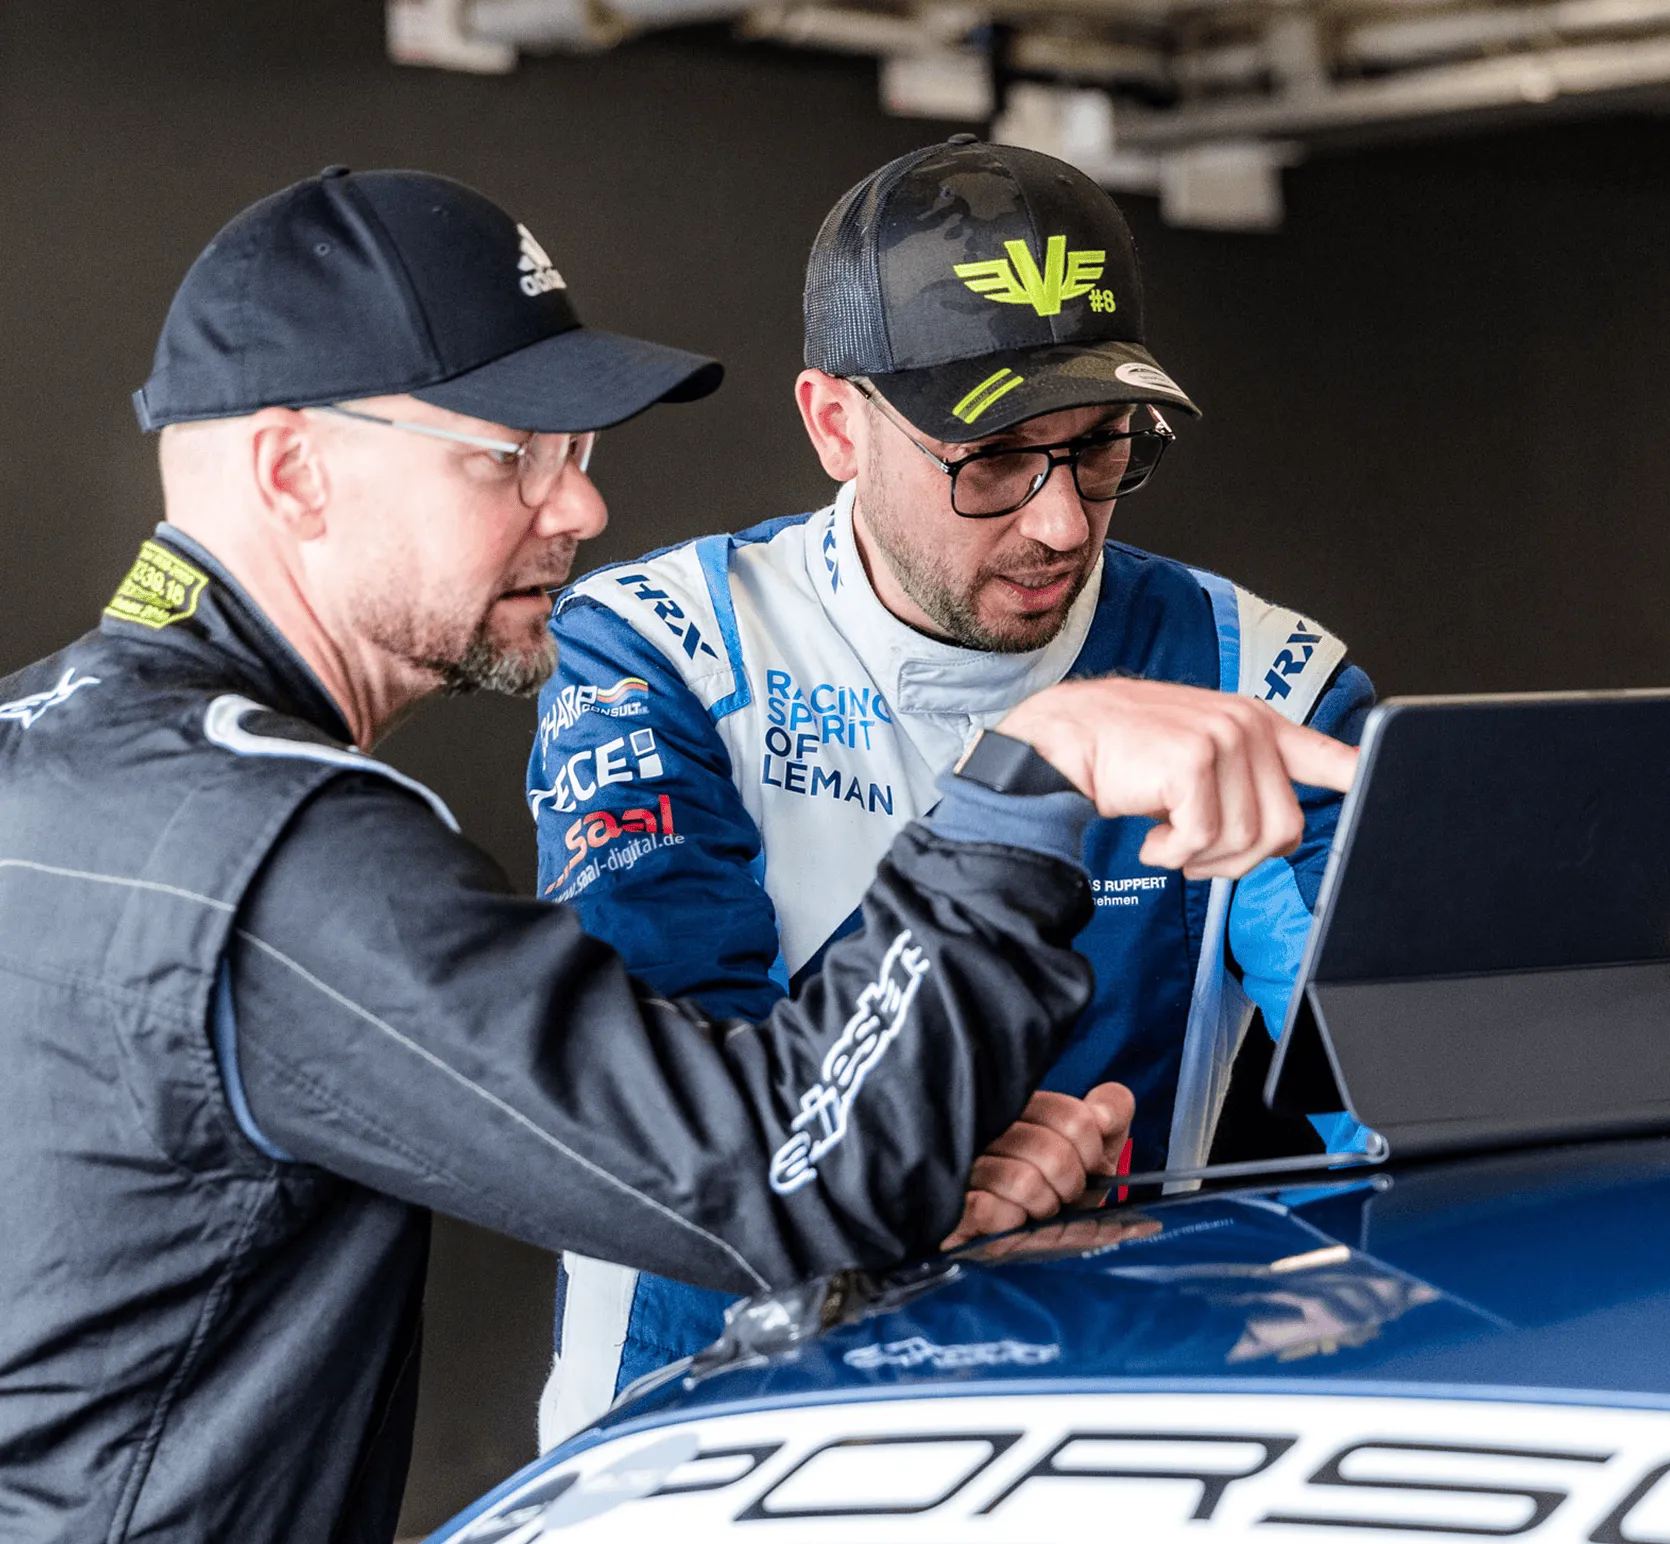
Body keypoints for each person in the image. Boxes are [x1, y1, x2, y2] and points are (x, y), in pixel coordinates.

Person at [0, 165, 1356, 1544]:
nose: (580, 511)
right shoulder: (278, 845)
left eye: (578, 455)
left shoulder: (42, 751)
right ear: (294, 470)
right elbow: (776, 1171)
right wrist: (1034, 773)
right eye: (512, 454)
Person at [532, 135, 1377, 1438]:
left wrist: (1648, 996)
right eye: (991, 460)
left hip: (1113, 1409)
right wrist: (925, 1182)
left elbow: (1399, 1084)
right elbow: (670, 1127)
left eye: (1101, 449)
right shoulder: (661, 646)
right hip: (711, 1420)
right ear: (834, 424)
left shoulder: (1259, 674)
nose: (1060, 523)